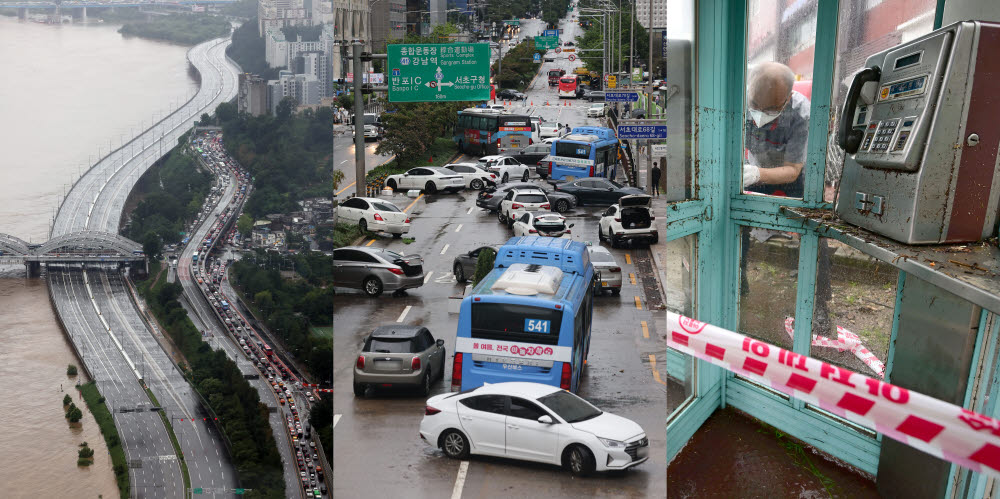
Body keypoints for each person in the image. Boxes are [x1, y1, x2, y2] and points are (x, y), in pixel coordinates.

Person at [740, 62, 833, 334]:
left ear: (787, 99)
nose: (760, 115)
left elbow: (792, 171)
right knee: (739, 218)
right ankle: (738, 281)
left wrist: (758, 174)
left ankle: (819, 305)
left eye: (770, 109)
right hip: (753, 170)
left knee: (813, 230)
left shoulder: (802, 115)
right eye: (756, 104)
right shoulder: (740, 101)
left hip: (793, 174)